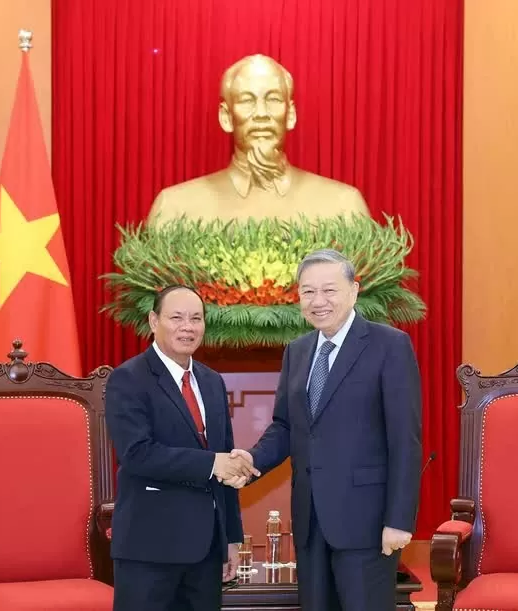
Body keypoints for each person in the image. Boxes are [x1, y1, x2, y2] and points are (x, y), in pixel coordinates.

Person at [229, 249, 422, 611]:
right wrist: (252, 458)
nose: (319, 301)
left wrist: (398, 520)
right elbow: (286, 426)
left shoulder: (389, 345)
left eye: (330, 290)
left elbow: (405, 440)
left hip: (368, 523)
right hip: (310, 520)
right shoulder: (298, 351)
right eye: (308, 292)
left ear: (354, 290)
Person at [105, 285, 259, 611]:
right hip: (149, 550)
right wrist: (210, 464)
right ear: (153, 320)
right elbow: (137, 453)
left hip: (205, 552)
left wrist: (231, 538)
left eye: (196, 319)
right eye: (176, 318)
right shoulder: (128, 379)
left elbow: (226, 459)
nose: (187, 327)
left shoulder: (212, 382)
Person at [147, 54, 370, 225]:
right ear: (226, 117)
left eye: (273, 99)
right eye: (247, 100)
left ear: (290, 114)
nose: (261, 113)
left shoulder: (344, 207)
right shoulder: (175, 209)